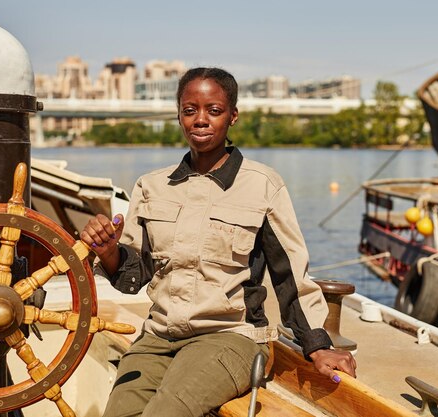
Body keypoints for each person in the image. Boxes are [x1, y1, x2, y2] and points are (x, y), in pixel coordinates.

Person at [81, 67, 356, 417]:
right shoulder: (151, 186)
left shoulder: (262, 186)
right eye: (189, 109)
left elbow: (290, 278)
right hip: (158, 337)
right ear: (179, 115)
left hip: (230, 338)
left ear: (233, 116)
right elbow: (134, 275)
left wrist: (318, 345)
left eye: (214, 110)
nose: (200, 120)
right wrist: (107, 252)